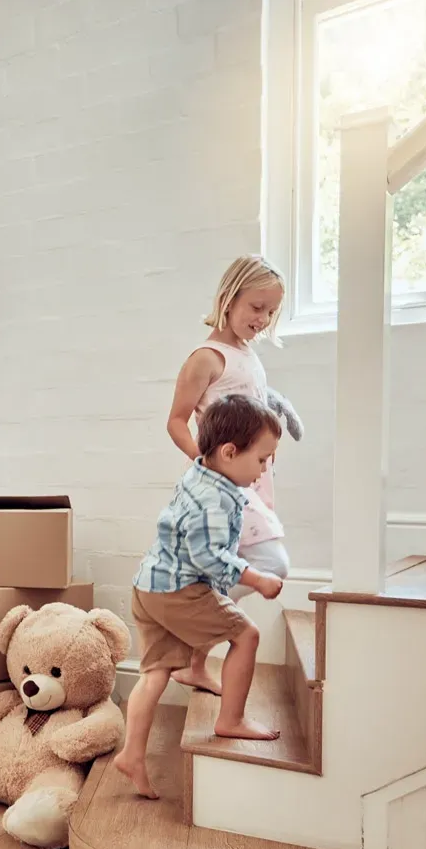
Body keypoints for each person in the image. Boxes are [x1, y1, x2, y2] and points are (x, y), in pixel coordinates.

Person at [114, 394, 285, 800]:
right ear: (229, 452)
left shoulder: (201, 472)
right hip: (178, 591)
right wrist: (255, 578)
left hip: (149, 584)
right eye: (262, 460)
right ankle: (232, 719)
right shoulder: (216, 498)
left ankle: (132, 754)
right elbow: (207, 556)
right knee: (246, 635)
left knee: (154, 672)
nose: (265, 469)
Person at [162, 254, 296, 698]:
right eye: (256, 307)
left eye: (271, 312)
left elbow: (256, 405)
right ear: (228, 297)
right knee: (270, 562)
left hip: (253, 479)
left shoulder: (248, 356)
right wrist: (207, 464)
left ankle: (194, 661)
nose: (263, 319)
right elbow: (178, 420)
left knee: (220, 567)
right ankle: (194, 634)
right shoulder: (206, 357)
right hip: (221, 484)